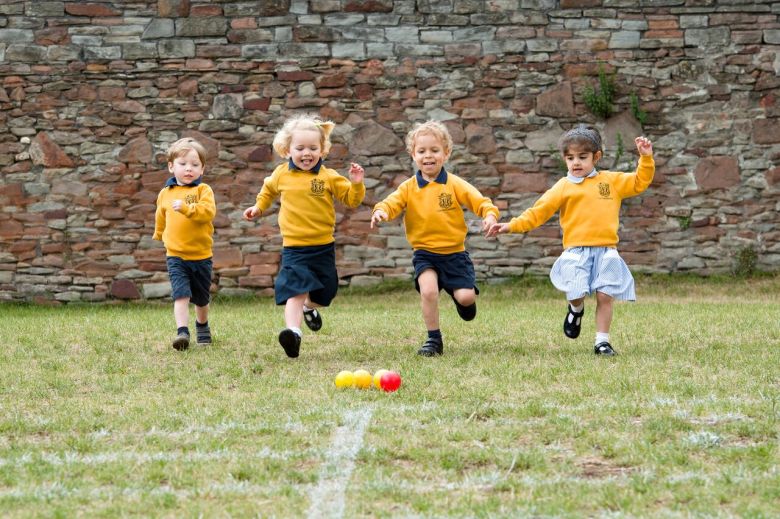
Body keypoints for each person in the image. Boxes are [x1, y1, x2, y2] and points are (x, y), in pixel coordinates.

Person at [487, 124, 654, 356]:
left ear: (596, 157)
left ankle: (602, 342)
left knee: (605, 296)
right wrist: (511, 225)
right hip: (576, 252)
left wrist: (646, 158)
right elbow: (538, 212)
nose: (576, 162)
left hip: (606, 251)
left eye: (582, 157)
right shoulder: (563, 187)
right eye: (570, 158)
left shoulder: (610, 181)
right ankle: (576, 309)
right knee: (576, 293)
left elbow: (639, 182)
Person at [371, 120, 499, 357]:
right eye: (421, 151)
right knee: (428, 291)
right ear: (413, 155)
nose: (428, 156)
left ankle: (460, 298)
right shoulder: (408, 187)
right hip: (425, 254)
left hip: (454, 254)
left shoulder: (454, 184)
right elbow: (391, 203)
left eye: (434, 150)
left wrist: (489, 215)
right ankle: (434, 340)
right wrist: (381, 212)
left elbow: (480, 202)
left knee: (466, 297)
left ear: (446, 153)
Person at [243, 114, 365, 358]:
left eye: (313, 148)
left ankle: (310, 308)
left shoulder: (328, 176)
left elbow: (352, 200)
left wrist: (356, 184)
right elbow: (267, 191)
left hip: (322, 247)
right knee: (296, 290)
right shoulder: (281, 174)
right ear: (287, 149)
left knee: (325, 294)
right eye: (300, 148)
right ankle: (293, 333)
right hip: (294, 248)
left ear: (322, 150)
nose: (306, 153)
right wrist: (258, 207)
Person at [153, 137, 216, 351]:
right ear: (171, 166)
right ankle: (182, 332)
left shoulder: (203, 190)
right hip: (176, 255)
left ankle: (202, 325)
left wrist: (187, 208)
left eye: (195, 164)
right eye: (183, 164)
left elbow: (207, 213)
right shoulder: (165, 193)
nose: (189, 168)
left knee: (201, 299)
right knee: (181, 294)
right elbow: (161, 215)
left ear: (202, 169)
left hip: (201, 255)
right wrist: (159, 233)